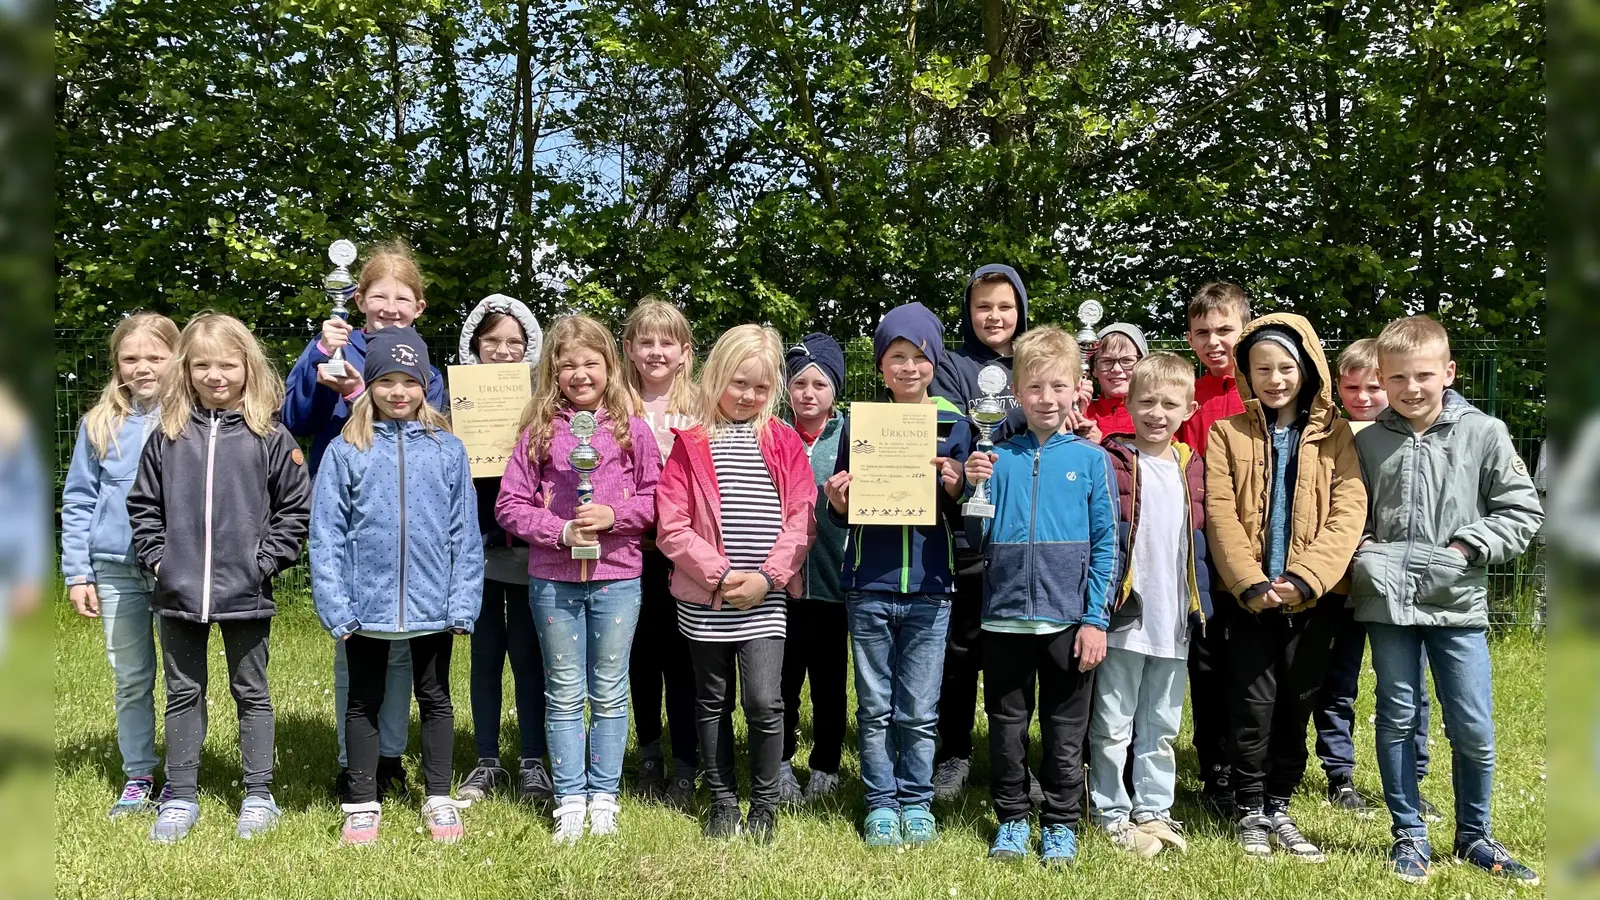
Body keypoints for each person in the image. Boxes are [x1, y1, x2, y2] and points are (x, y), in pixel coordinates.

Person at [1352, 315, 1543, 884]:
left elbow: (1523, 511)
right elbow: (1343, 515)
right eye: (1398, 378)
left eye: (1424, 376)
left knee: (1473, 725)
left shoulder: (1485, 433)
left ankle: (1475, 835)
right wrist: (1365, 555)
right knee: (1396, 718)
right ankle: (1408, 832)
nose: (1412, 388)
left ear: (1449, 372)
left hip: (1457, 603)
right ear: (1381, 379)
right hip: (1387, 604)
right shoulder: (1365, 441)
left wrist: (1466, 547)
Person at [126, 313, 312, 843]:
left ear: (248, 368)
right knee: (183, 693)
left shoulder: (270, 435)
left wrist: (263, 563)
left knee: (251, 692)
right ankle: (180, 796)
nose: (215, 375)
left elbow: (295, 509)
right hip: (178, 593)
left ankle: (258, 794)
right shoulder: (167, 435)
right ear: (185, 371)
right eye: (202, 365)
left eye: (227, 364)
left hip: (245, 593)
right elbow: (142, 505)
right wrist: (160, 560)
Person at [282, 242, 445, 802]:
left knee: (401, 648)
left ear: (419, 307)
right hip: (353, 520)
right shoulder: (329, 344)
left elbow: (433, 430)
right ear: (357, 297)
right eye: (379, 296)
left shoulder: (424, 367)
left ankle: (391, 759)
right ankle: (354, 760)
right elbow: (294, 418)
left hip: (409, 529)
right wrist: (315, 362)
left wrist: (357, 390)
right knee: (354, 645)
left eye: (403, 298)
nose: (390, 307)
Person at [310, 327, 483, 845]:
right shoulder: (346, 450)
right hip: (367, 605)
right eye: (387, 381)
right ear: (372, 384)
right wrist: (336, 605)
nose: (399, 392)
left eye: (411, 381)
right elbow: (326, 535)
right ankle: (362, 802)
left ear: (426, 384)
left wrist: (462, 601)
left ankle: (437, 797)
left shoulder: (448, 450)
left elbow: (464, 532)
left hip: (433, 603)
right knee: (363, 700)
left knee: (436, 698)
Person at [1205, 313, 1365, 863]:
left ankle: (1280, 804)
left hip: (1313, 599)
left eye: (1286, 367)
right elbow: (1220, 514)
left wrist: (1303, 579)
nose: (1275, 379)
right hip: (1247, 601)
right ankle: (1249, 807)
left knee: (1297, 705)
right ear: (1246, 374)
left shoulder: (1338, 435)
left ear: (1308, 369)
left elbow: (1348, 512)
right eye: (1262, 369)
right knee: (1252, 706)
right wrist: (1249, 581)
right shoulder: (1226, 434)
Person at [495, 315, 661, 844]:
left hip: (618, 575)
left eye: (591, 362)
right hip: (554, 578)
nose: (580, 373)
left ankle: (604, 796)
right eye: (568, 365)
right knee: (564, 692)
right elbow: (509, 506)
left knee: (610, 691)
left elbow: (658, 497)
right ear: (553, 371)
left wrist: (615, 516)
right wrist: (559, 529)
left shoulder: (631, 428)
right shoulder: (539, 429)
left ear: (610, 366)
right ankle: (569, 796)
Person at [962, 326, 1116, 867]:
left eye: (1058, 387)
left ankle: (1060, 822)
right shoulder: (995, 457)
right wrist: (972, 489)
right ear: (1016, 393)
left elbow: (1105, 546)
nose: (1046, 399)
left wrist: (1095, 619)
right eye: (1034, 388)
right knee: (1006, 727)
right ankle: (1010, 819)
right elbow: (977, 540)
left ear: (1077, 389)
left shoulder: (1092, 460)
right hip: (1003, 619)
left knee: (1065, 728)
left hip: (1069, 620)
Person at [824, 302, 976, 846]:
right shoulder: (860, 424)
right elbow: (840, 510)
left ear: (933, 361)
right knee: (875, 705)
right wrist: (839, 503)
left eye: (918, 357)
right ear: (881, 366)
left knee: (918, 707)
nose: (908, 367)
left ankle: (916, 799)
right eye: (896, 357)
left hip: (932, 589)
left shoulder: (956, 425)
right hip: (869, 584)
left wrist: (957, 484)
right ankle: (880, 802)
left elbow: (969, 509)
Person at [656, 325, 816, 842]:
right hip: (708, 598)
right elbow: (672, 525)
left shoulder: (784, 441)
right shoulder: (690, 443)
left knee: (766, 701)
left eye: (761, 388)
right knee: (711, 700)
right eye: (738, 383)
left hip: (766, 598)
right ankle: (723, 802)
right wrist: (720, 576)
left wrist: (769, 576)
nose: (748, 395)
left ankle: (765, 804)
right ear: (717, 376)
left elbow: (801, 516)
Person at [1089, 352, 1210, 858]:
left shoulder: (1193, 465)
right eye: (1146, 402)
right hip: (1124, 617)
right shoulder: (1112, 459)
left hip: (1175, 619)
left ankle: (1155, 810)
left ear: (1187, 409)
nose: (1156, 413)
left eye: (1168, 403)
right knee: (1112, 722)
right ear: (1129, 404)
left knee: (1161, 724)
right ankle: (1110, 811)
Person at [61, 312, 180, 818]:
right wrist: (77, 572)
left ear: (177, 358)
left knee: (182, 677)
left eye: (155, 356)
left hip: (174, 568)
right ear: (116, 365)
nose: (143, 367)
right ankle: (139, 773)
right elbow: (78, 500)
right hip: (113, 569)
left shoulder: (188, 422)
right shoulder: (99, 424)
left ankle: (183, 774)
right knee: (131, 676)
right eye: (130, 358)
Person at [1314, 339, 1437, 818]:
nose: (1363, 396)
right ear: (1338, 387)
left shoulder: (1411, 435)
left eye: (1373, 386)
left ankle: (1411, 777)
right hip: (1344, 581)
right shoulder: (1334, 436)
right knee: (1337, 680)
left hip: (1402, 585)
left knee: (1406, 684)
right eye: (1352, 387)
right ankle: (1339, 773)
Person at [928, 264, 1035, 802]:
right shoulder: (950, 365)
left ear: (1021, 308)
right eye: (983, 307)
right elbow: (951, 435)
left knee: (1014, 652)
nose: (994, 316)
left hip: (1026, 530)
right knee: (960, 650)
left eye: (1005, 306)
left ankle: (1014, 758)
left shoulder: (1033, 359)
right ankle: (953, 754)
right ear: (968, 313)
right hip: (967, 532)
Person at [454, 294, 554, 806]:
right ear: (475, 343)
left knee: (530, 656)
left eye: (515, 342)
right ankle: (487, 760)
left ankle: (534, 760)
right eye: (492, 340)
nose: (502, 350)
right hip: (479, 548)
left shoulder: (544, 401)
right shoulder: (455, 400)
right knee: (486, 654)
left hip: (534, 546)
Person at [620, 297, 702, 806]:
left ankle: (688, 762)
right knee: (642, 657)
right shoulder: (614, 407)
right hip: (631, 552)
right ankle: (650, 754)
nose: (655, 351)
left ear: (684, 352)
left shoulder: (702, 407)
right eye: (645, 341)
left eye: (666, 342)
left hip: (688, 554)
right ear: (629, 349)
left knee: (687, 660)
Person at [1175, 281, 1250, 820]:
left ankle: (1255, 766)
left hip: (1254, 546)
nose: (1214, 340)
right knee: (1206, 661)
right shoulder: (1190, 395)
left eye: (1225, 329)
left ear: (1245, 328)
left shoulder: (1262, 388)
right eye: (1203, 332)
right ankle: (1215, 769)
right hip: (1201, 549)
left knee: (1251, 665)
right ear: (1189, 337)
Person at [777, 334, 849, 803]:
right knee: (782, 682)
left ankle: (825, 765)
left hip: (834, 581)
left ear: (835, 391)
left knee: (829, 684)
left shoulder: (851, 438)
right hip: (780, 585)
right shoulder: (773, 434)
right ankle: (780, 763)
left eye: (820, 384)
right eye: (799, 383)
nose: (808, 393)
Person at [1079, 323, 1149, 442]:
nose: (1116, 369)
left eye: (1127, 360)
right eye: (1106, 361)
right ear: (1093, 369)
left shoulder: (1152, 414)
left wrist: (1102, 442)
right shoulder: (1083, 412)